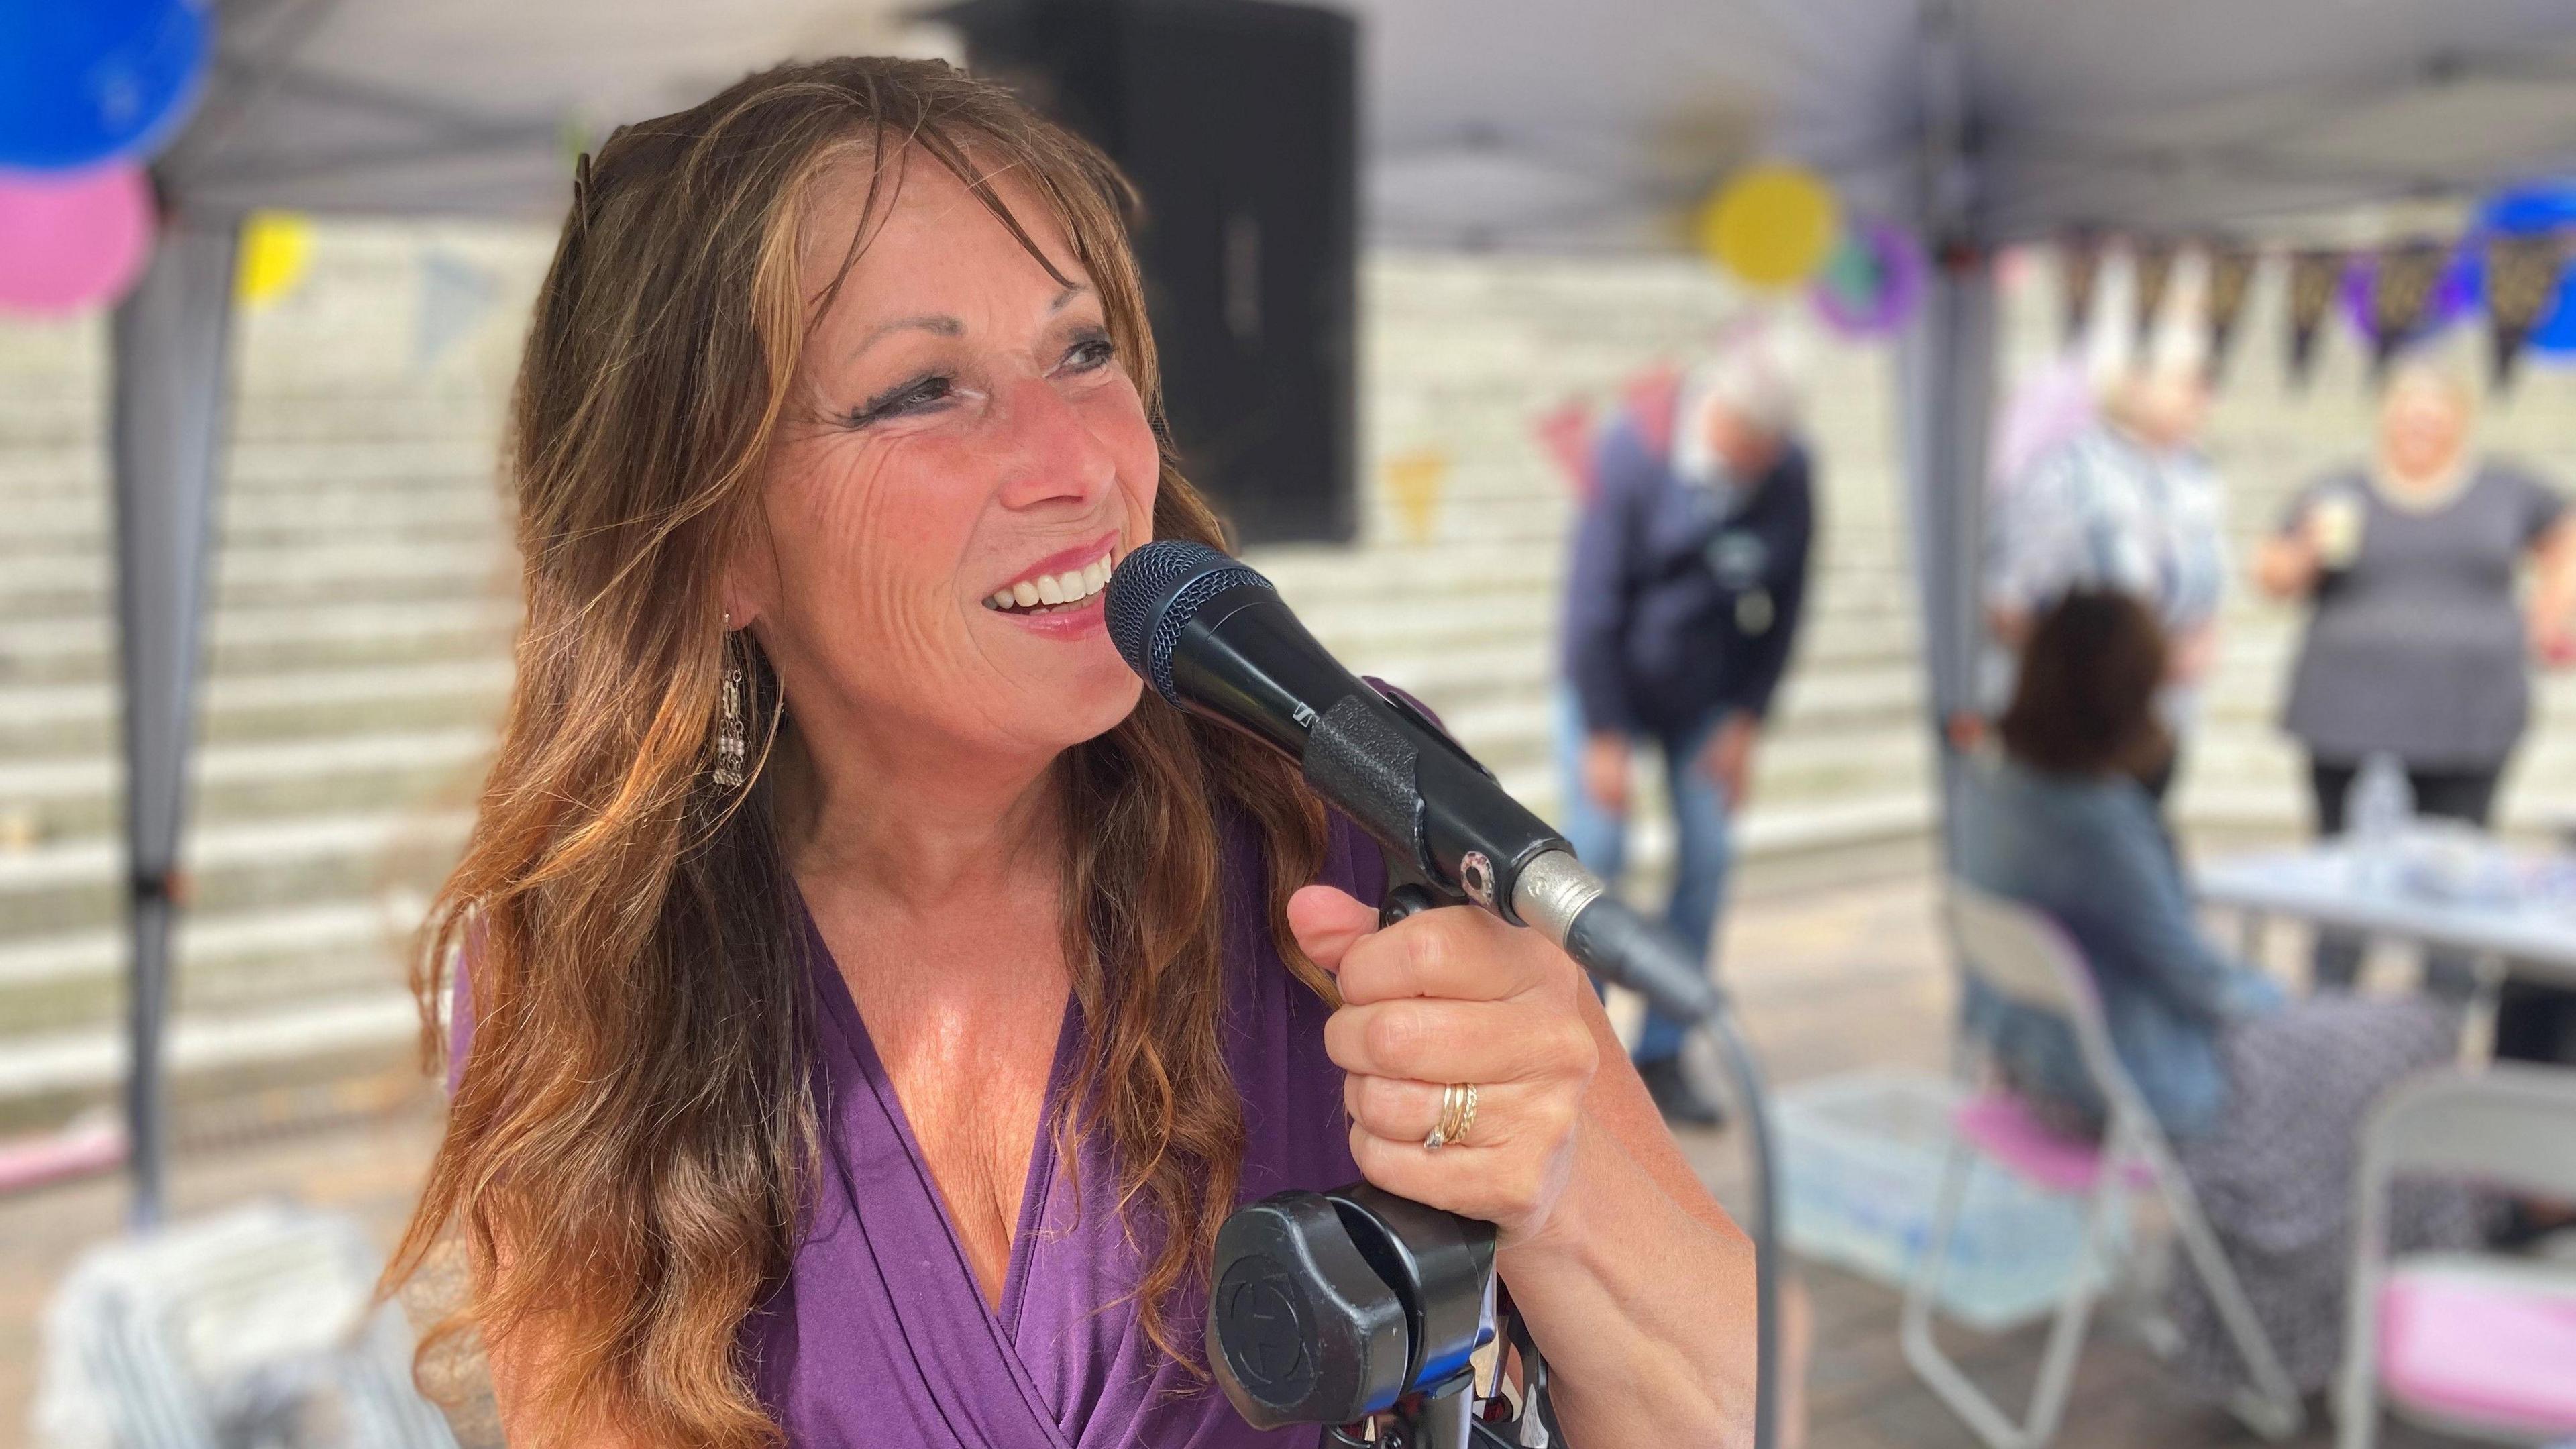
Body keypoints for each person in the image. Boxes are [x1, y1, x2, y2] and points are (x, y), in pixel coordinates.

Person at [382, 59, 1754, 1449]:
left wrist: (1563, 1186)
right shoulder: (579, 972)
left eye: (1083, 350)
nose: (1080, 461)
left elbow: (1729, 1403)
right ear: (712, 543)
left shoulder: (1353, 811)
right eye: (924, 388)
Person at [1957, 590, 2481, 1399]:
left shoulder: (1993, 788)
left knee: (2356, 1038)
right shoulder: (2098, 819)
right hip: (2139, 1084)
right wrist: (2281, 1002)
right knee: (2417, 1035)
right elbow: (2198, 980)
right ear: (2129, 691)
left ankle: (2322, 1319)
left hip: (2036, 1066)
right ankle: (2327, 1325)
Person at [2253, 362, 2576, 1030]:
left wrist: (2555, 603)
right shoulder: (2340, 490)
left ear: (2461, 418)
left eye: (2435, 411)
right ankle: (2330, 1018)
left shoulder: (2505, 489)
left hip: (2468, 712)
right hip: (2345, 707)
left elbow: (2565, 535)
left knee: (2460, 868)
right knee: (2339, 866)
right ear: (2386, 416)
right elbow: (2271, 575)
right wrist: (2310, 549)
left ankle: (2440, 1023)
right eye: (2408, 410)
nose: (2420, 424)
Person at [1557, 343, 1817, 1126]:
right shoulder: (1633, 453)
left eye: (1773, 454)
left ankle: (1665, 1050)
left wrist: (1747, 718)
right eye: (1752, 447)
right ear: (1720, 416)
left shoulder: (1788, 472)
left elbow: (1788, 604)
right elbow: (1591, 607)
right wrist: (1604, 734)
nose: (1762, 465)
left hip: (1706, 692)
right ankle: (1585, 1056)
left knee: (1708, 854)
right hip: (1612, 679)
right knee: (1594, 857)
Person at [1985, 361, 2228, 802]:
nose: (2203, 396)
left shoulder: (2196, 475)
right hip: (2081, 729)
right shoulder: (2066, 472)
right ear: (2133, 383)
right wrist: (2117, 664)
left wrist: (2200, 643)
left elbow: (2205, 589)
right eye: (2188, 379)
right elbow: (2009, 601)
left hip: (2161, 718)